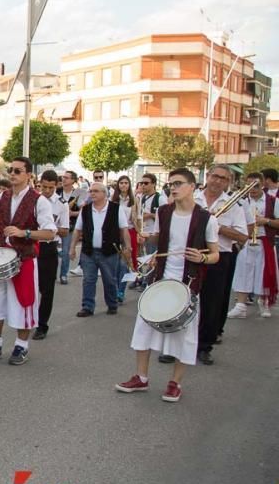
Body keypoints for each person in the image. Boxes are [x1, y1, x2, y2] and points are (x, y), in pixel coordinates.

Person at [115, 168, 220, 403]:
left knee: (185, 334)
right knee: (144, 327)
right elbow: (161, 238)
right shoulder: (164, 212)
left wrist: (202, 258)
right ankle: (141, 378)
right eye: (171, 184)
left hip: (188, 283)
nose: (173, 187)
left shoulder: (207, 218)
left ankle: (175, 383)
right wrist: (147, 239)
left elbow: (215, 255)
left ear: (192, 186)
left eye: (179, 183)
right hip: (161, 278)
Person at [0, 157, 56, 365]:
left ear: (28, 175)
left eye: (18, 171)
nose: (12, 174)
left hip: (23, 258)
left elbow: (49, 233)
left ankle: (21, 346)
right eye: (11, 170)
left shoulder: (39, 200)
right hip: (0, 257)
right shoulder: (3, 198)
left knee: (23, 301)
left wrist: (24, 232)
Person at [190, 165, 247, 365]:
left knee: (211, 303)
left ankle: (204, 346)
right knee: (184, 300)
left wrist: (216, 225)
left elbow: (242, 236)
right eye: (215, 176)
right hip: (191, 254)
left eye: (223, 179)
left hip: (219, 256)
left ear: (228, 182)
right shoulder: (191, 198)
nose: (217, 181)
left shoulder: (235, 206)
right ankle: (176, 346)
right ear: (208, 176)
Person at [69, 183, 131, 317]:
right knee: (88, 280)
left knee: (110, 279)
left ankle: (112, 304)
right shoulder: (85, 210)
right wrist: (72, 248)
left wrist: (127, 247)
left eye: (96, 191)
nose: (92, 194)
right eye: (91, 191)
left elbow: (124, 230)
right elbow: (77, 230)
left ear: (104, 193)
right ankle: (87, 307)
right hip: (89, 252)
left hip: (109, 251)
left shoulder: (116, 209)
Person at [228, 173, 277, 319]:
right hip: (246, 241)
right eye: (249, 186)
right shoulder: (240, 201)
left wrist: (266, 221)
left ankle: (264, 302)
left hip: (265, 242)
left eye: (255, 186)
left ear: (262, 184)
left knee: (264, 273)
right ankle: (240, 305)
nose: (252, 189)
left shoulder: (274, 201)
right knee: (242, 272)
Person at [33, 170, 69, 340]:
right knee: (31, 286)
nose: (47, 191)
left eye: (51, 187)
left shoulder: (62, 204)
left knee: (47, 290)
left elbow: (65, 230)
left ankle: (42, 325)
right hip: (32, 246)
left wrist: (51, 228)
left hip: (48, 247)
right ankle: (30, 319)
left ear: (56, 186)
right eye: (44, 187)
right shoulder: (33, 200)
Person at [111, 175, 140, 302]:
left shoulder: (134, 200)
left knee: (125, 263)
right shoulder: (113, 200)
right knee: (114, 264)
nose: (123, 185)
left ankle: (121, 291)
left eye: (126, 183)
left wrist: (140, 233)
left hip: (129, 231)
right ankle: (115, 288)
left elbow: (138, 218)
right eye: (121, 183)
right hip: (115, 232)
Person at [137, 173, 162, 290]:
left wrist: (151, 215)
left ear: (153, 184)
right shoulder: (143, 197)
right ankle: (141, 278)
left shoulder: (160, 198)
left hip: (153, 233)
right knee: (142, 257)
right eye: (142, 183)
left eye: (146, 183)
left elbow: (164, 216)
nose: (143, 185)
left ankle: (148, 281)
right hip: (143, 231)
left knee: (151, 258)